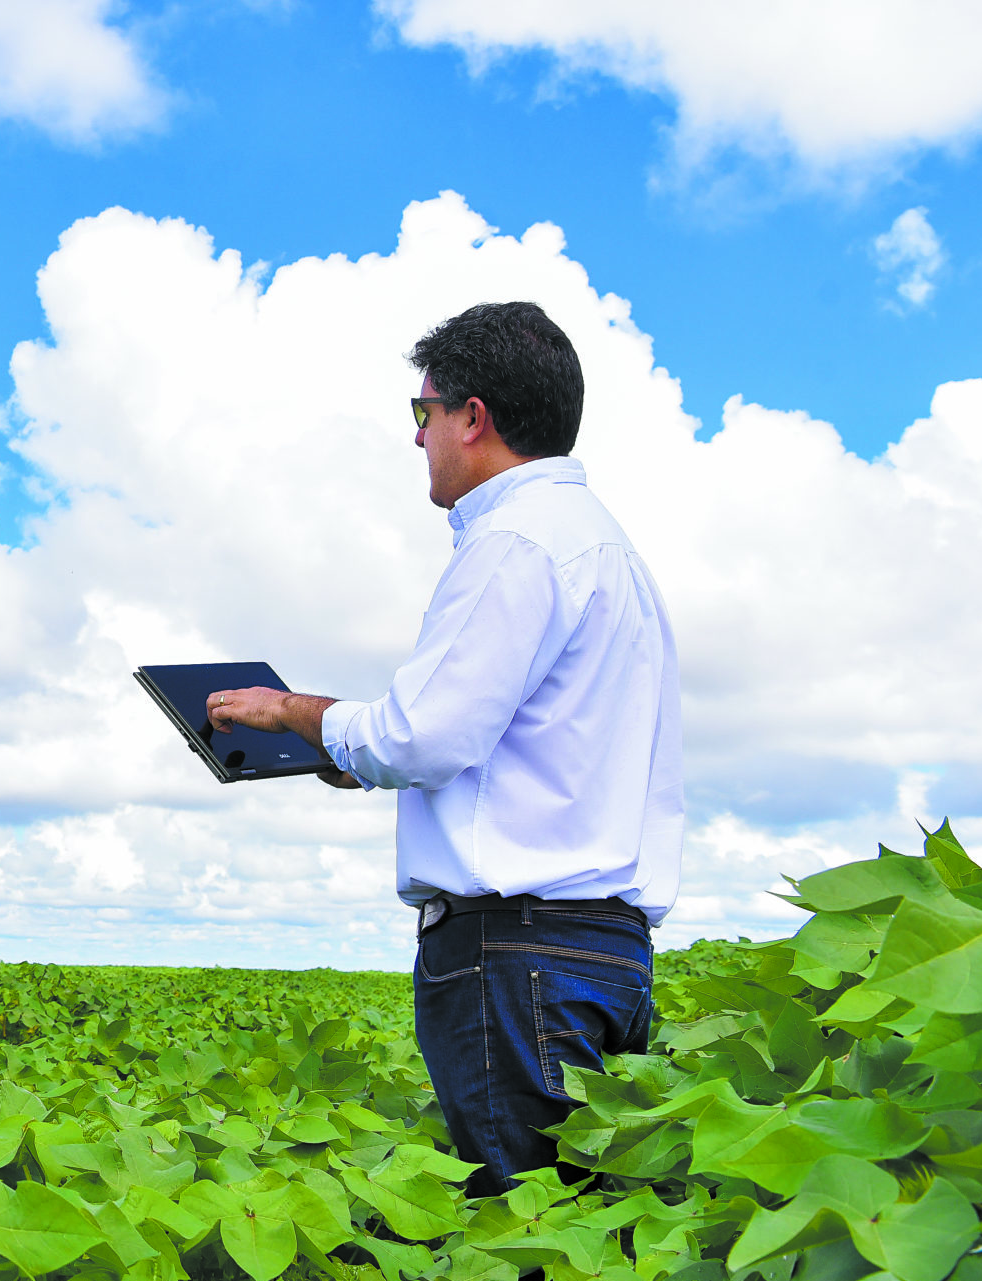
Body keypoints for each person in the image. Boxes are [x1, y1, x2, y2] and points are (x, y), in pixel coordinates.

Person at [205, 300, 682, 1194]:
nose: (416, 437)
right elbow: (526, 746)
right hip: (606, 952)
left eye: (420, 412)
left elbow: (419, 735)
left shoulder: (514, 543)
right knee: (590, 1236)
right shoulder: (606, 549)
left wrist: (289, 710)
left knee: (520, 1242)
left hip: (517, 952)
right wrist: (353, 757)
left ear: (474, 417)